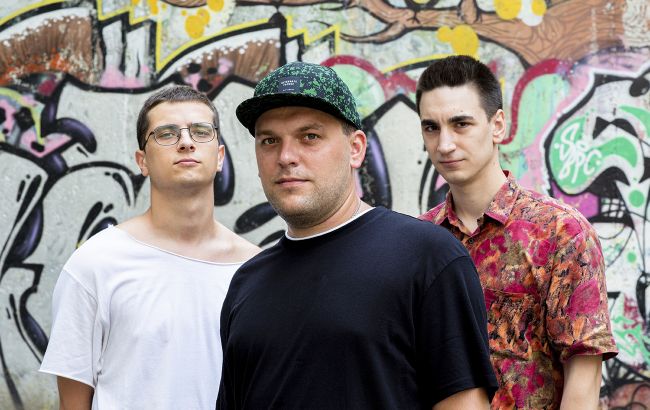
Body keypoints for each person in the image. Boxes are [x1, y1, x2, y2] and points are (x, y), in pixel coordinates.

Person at [217, 61, 498, 409]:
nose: (286, 157)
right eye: (269, 140)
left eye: (309, 136)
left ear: (356, 149)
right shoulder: (246, 284)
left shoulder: (427, 258)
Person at [416, 55, 618, 409]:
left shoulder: (560, 232)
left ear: (497, 126)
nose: (444, 144)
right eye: (431, 127)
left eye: (461, 124)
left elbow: (584, 375)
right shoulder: (417, 240)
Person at [39, 85, 260, 409]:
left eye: (201, 132)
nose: (186, 142)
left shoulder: (255, 271)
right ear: (142, 161)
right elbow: (73, 403)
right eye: (167, 134)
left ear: (219, 157)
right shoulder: (95, 264)